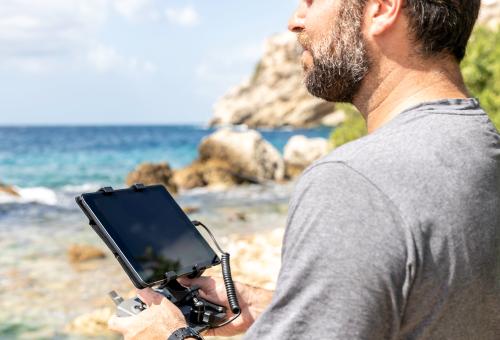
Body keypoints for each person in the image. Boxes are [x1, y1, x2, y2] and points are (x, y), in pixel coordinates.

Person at [109, 0, 500, 339]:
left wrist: (169, 335)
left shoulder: (353, 181)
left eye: (312, 0)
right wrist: (279, 309)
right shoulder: (479, 146)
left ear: (381, 8)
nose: (295, 20)